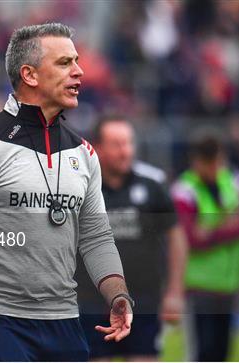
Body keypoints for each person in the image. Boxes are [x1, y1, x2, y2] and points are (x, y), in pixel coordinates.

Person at [0, 23, 133, 362]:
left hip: (64, 323)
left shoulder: (85, 154)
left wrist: (117, 294)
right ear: (29, 75)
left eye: (77, 61)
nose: (79, 71)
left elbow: (96, 237)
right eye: (64, 63)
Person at [76, 116, 188, 361]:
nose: (125, 151)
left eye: (128, 143)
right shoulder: (80, 187)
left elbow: (176, 237)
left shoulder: (152, 184)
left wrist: (175, 292)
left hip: (144, 300)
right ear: (97, 148)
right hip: (90, 302)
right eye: (116, 144)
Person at [171, 130, 239, 361]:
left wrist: (212, 229)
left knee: (221, 354)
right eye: (209, 163)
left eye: (217, 161)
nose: (214, 169)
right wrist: (230, 222)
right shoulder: (184, 191)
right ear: (196, 161)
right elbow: (192, 239)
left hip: (228, 285)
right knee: (201, 354)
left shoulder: (234, 180)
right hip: (199, 287)